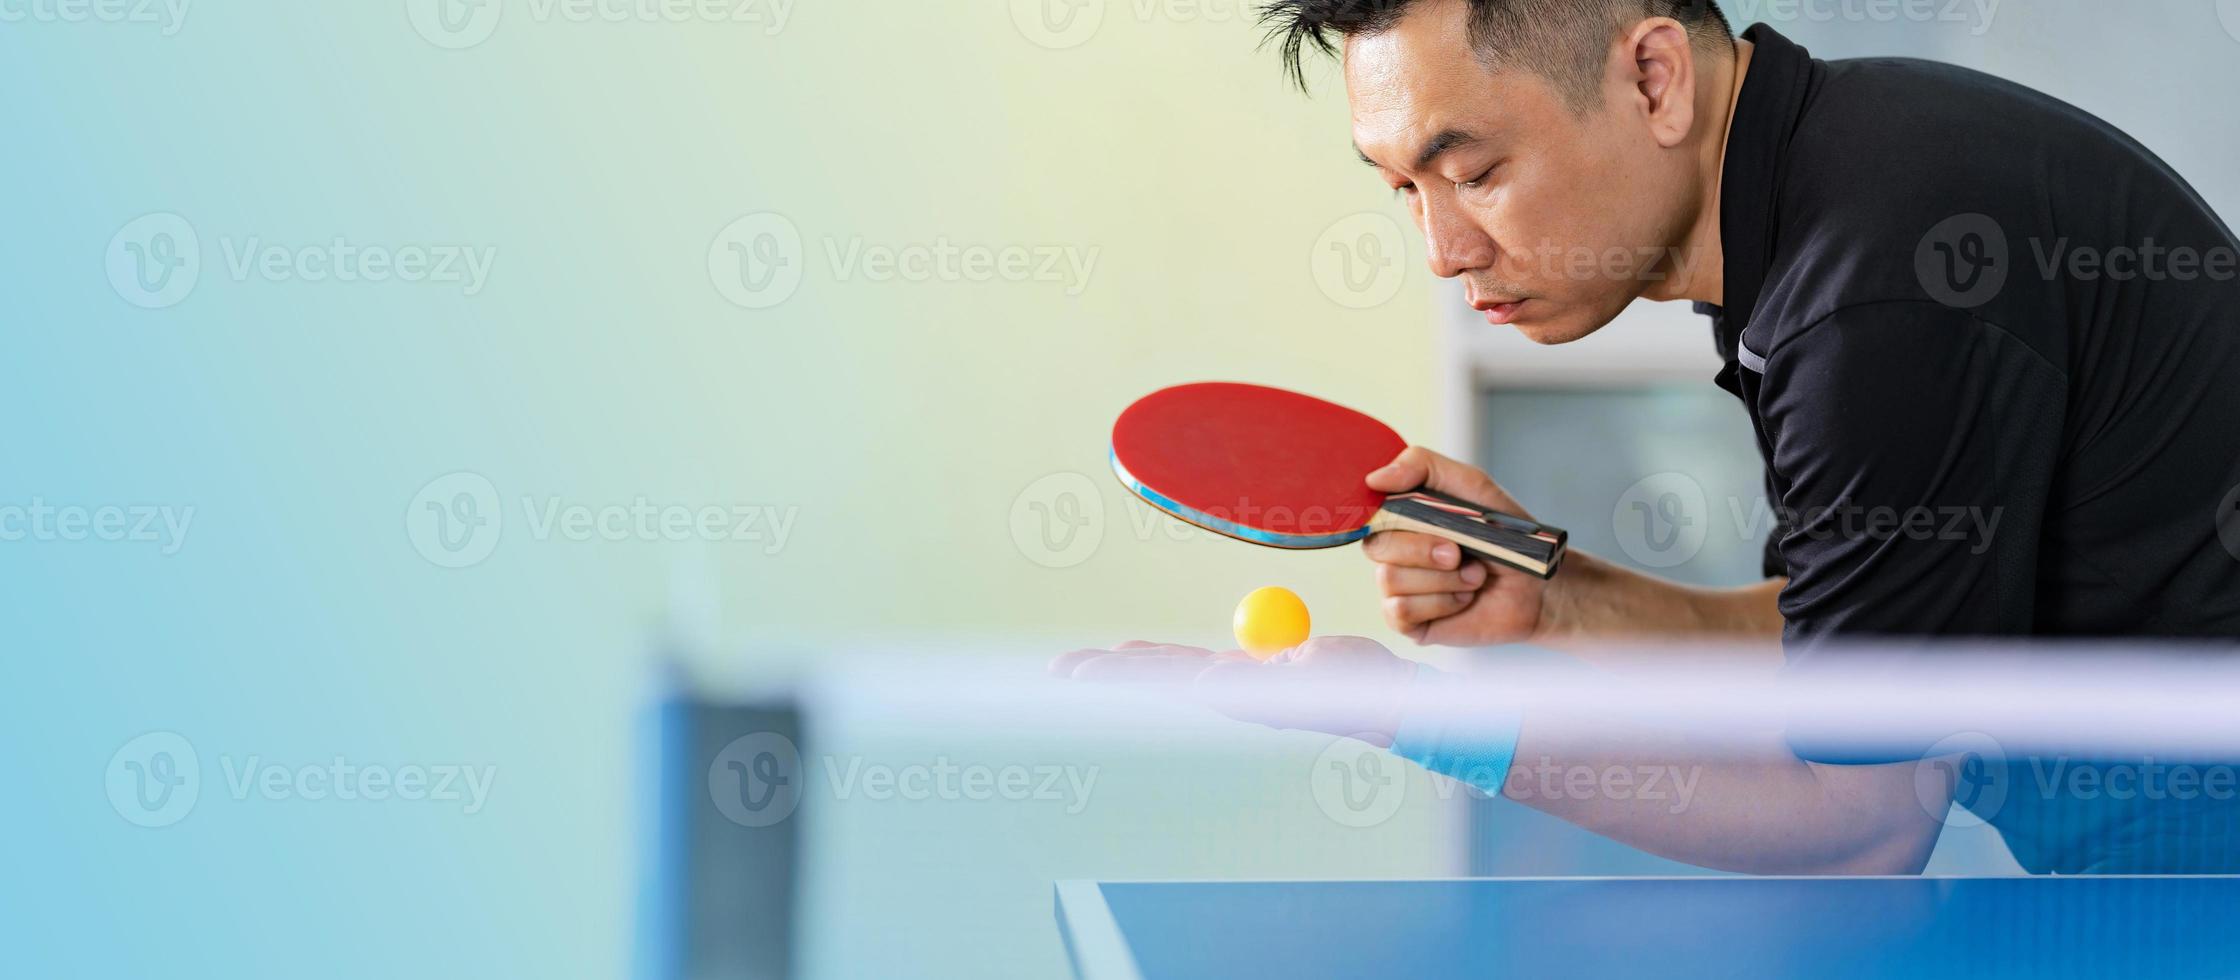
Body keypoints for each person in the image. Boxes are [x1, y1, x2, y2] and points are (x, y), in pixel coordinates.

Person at [1058, 0, 2240, 873]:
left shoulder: (1871, 290)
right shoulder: (1835, 184)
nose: (1441, 247)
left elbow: (1862, 825)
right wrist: (1553, 594)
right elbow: (1838, 655)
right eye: (1400, 190)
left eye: (1472, 170)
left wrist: (1409, 715)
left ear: (1653, 78)